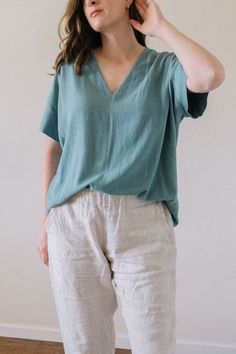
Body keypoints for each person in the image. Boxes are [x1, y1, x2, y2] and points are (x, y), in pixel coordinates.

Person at [37, 0, 225, 353]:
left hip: (144, 222)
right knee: (84, 346)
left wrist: (161, 28)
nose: (90, 1)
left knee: (154, 345)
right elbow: (52, 149)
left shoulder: (164, 69)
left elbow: (210, 75)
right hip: (73, 220)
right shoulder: (70, 71)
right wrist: (45, 223)